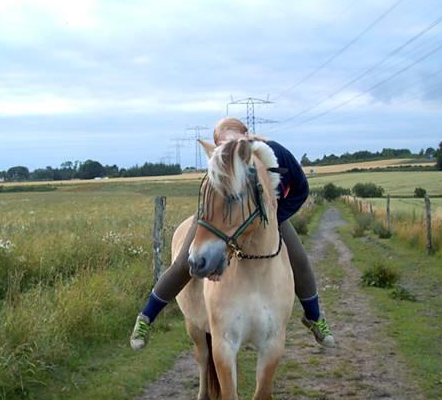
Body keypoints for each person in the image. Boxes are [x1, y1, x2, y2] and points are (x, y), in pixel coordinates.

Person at [130, 117, 334, 350]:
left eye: (231, 139)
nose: (227, 146)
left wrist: (275, 218)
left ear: (246, 135)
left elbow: (301, 188)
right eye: (221, 143)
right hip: (217, 217)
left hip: (269, 216)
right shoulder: (219, 160)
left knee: (300, 260)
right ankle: (146, 318)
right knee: (184, 262)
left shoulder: (276, 153)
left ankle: (315, 318)